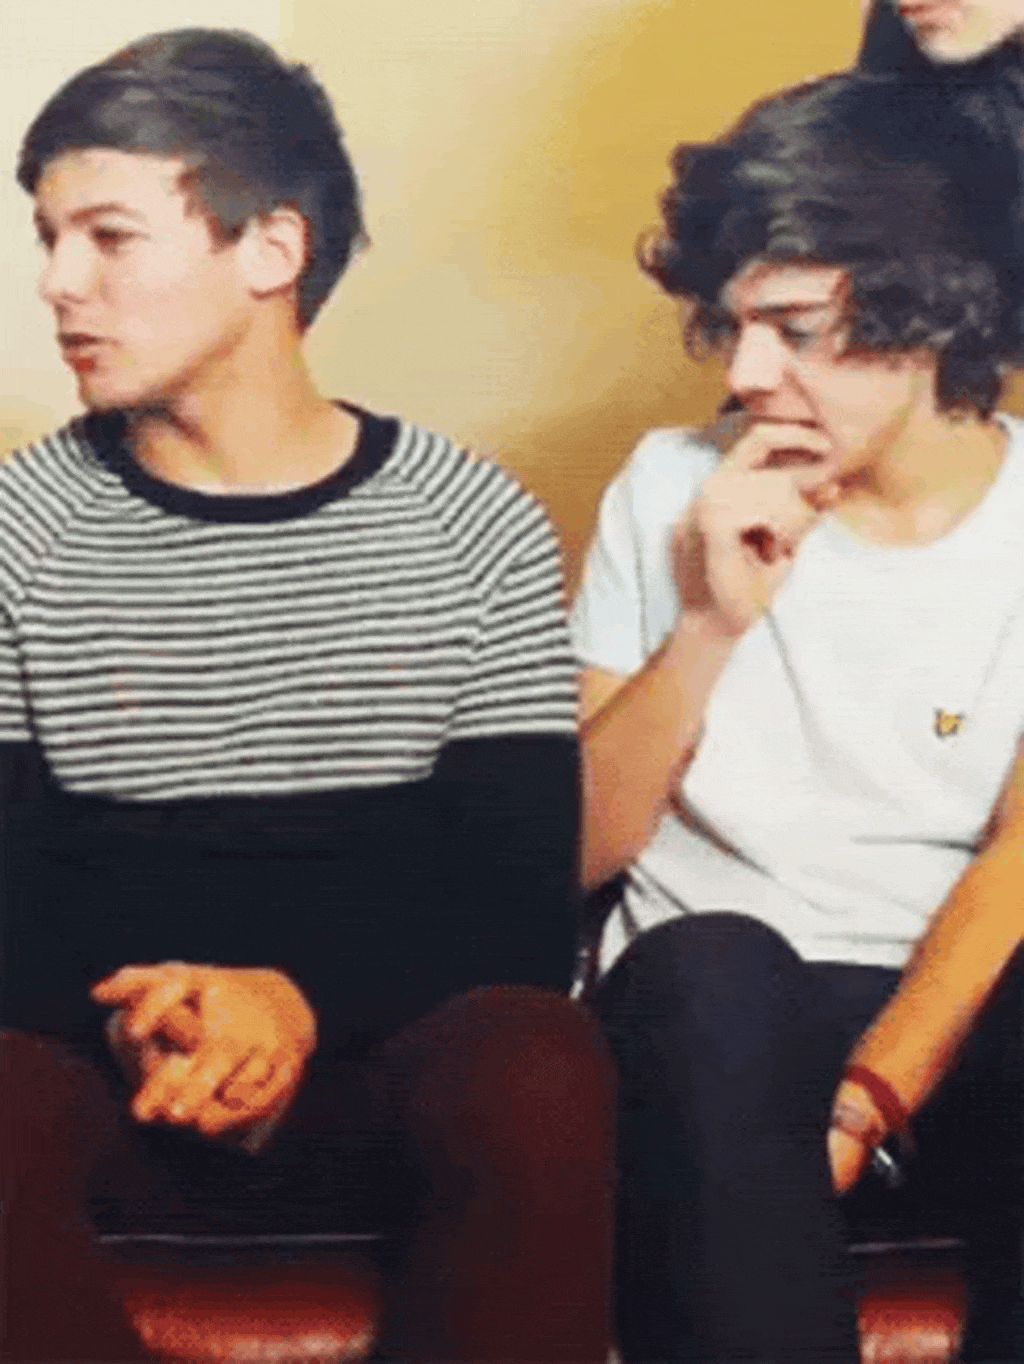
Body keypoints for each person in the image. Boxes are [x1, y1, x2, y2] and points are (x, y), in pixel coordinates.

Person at [0, 28, 614, 1363]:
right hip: (111, 1082)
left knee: (537, 1059)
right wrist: (162, 1015)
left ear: (271, 249)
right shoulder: (19, 531)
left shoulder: (472, 523)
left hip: (378, 1082)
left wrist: (294, 997)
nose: (56, 283)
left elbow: (515, 920)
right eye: (48, 239)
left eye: (108, 237)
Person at [572, 72, 1024, 1363]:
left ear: (937, 307)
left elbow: (1020, 862)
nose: (747, 373)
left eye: (795, 327)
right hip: (709, 1013)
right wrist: (710, 624)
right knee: (714, 969)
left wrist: (870, 1097)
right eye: (733, 326)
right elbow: (576, 852)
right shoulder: (669, 482)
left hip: (951, 1000)